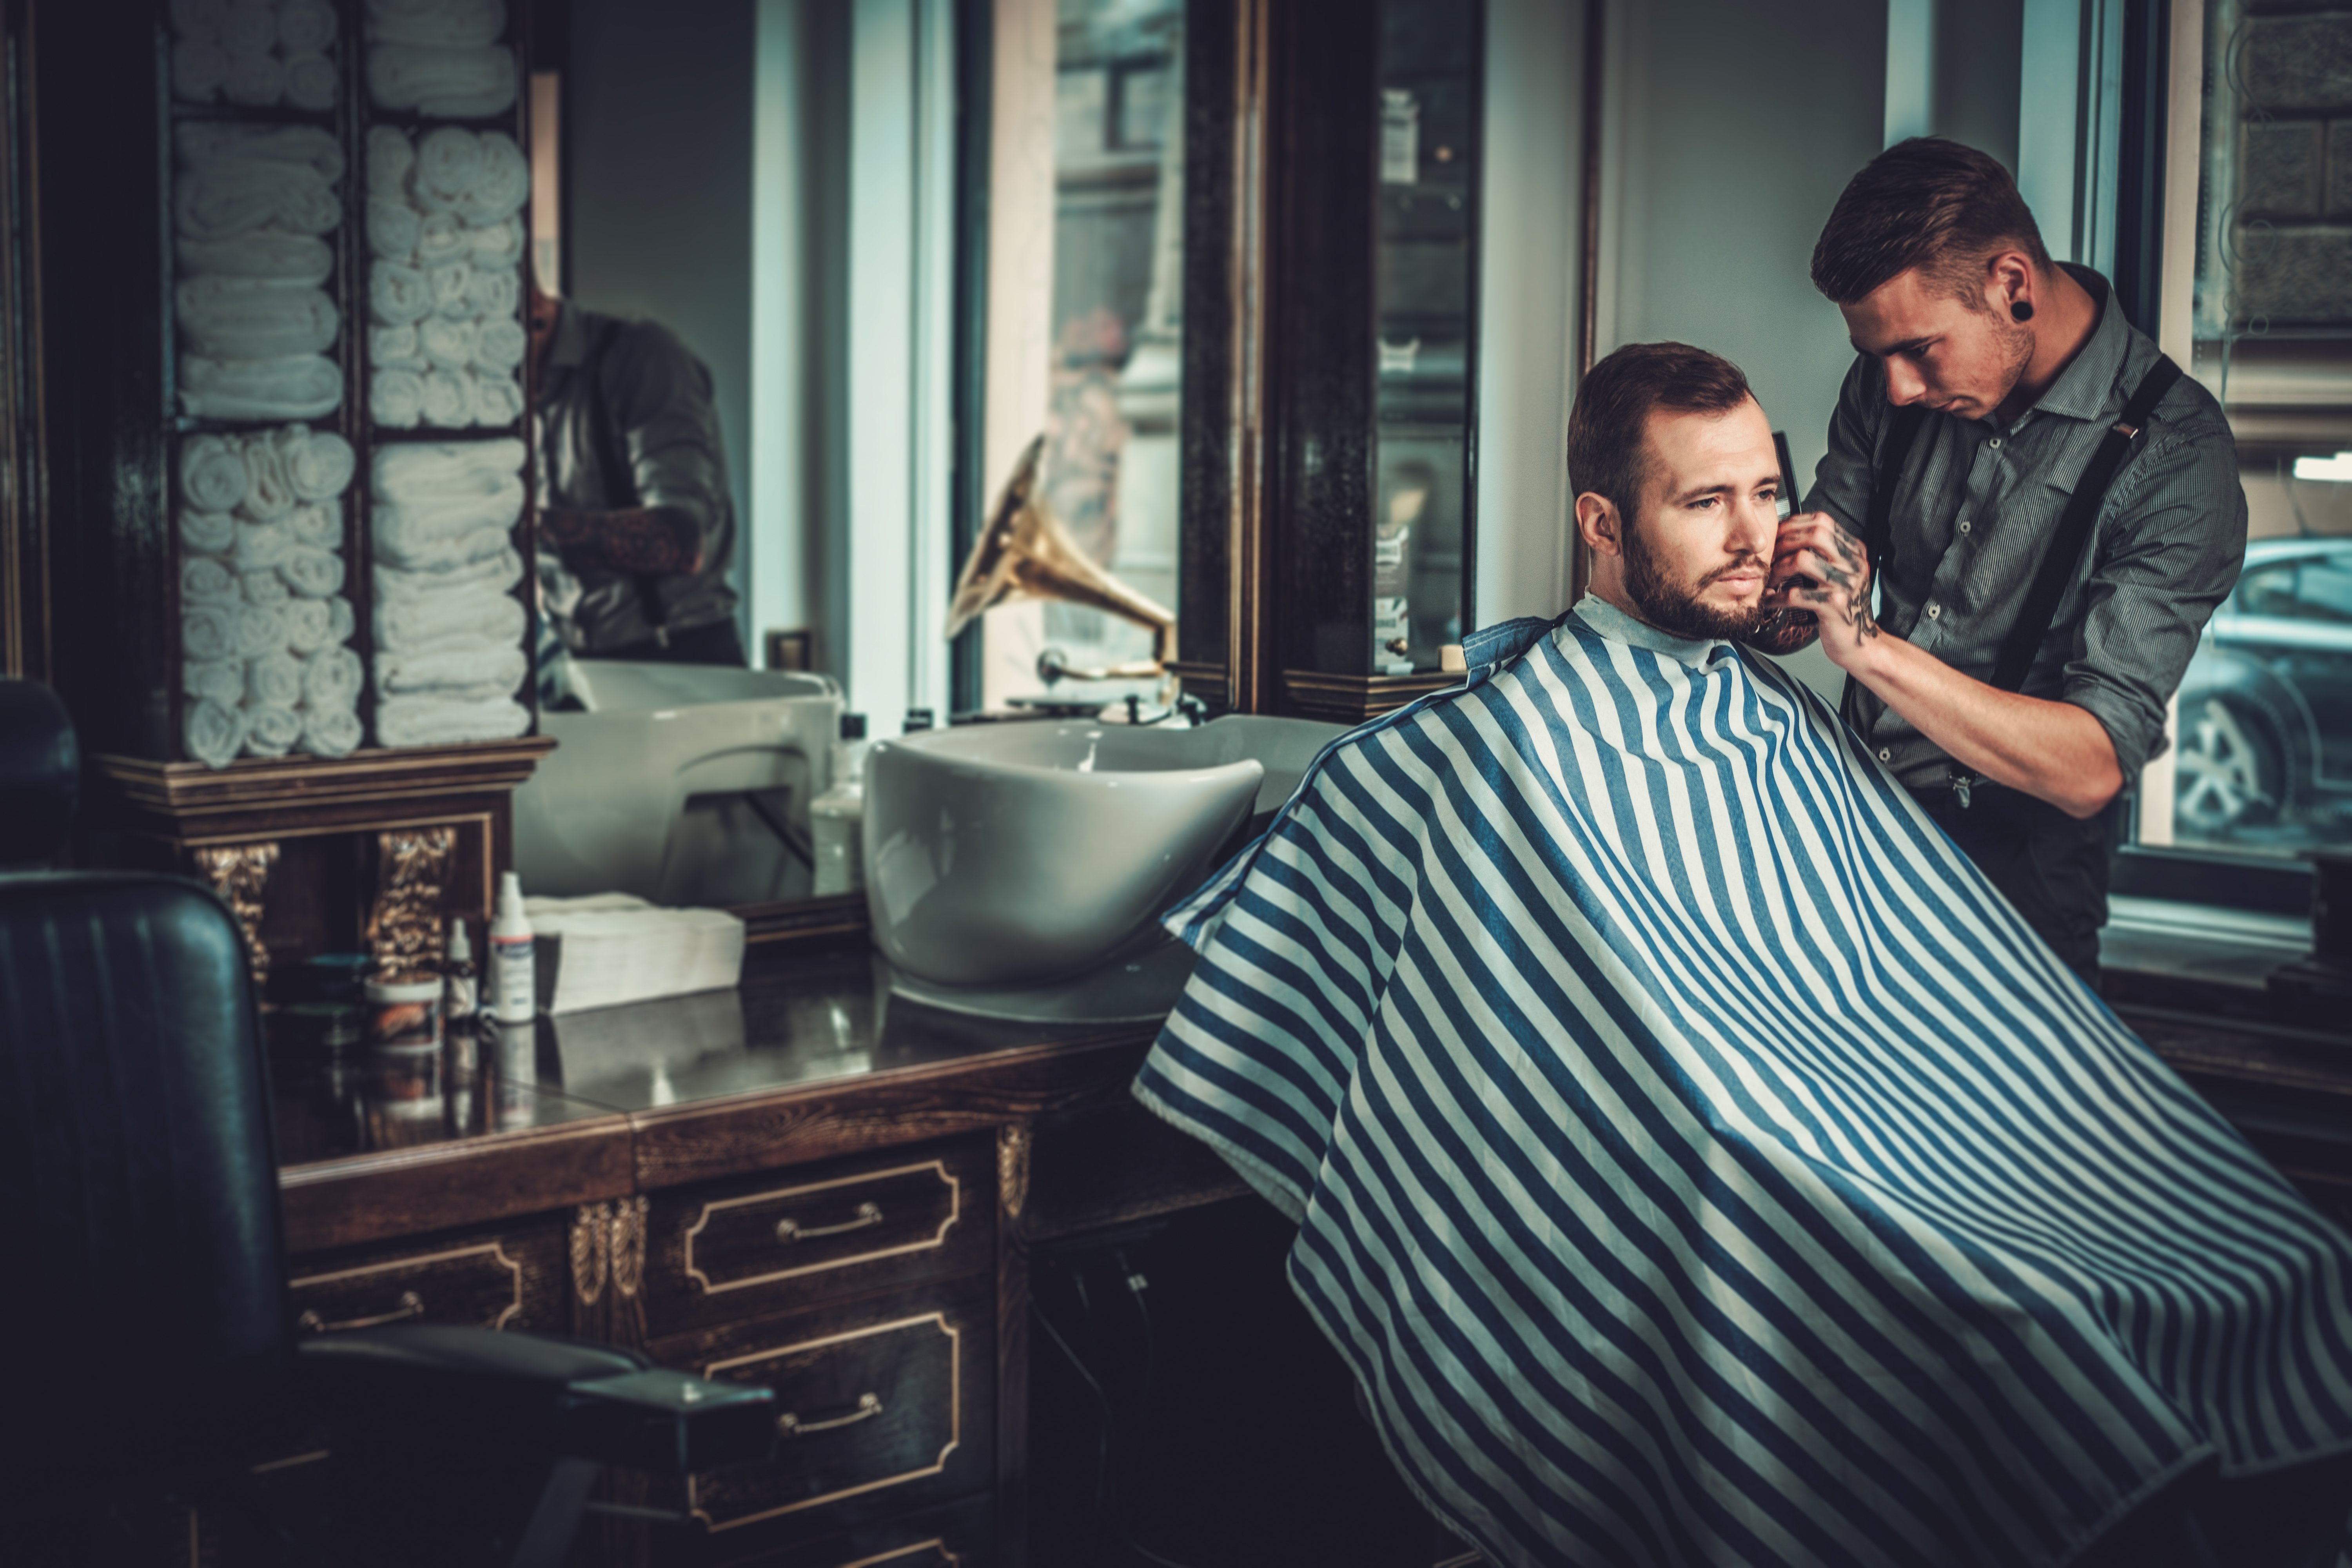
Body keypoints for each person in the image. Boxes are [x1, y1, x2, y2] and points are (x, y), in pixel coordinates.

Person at [1134, 343, 2352, 1568]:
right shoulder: (1499, 741)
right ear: (1601, 522)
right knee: (2028, 1334)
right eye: (1703, 501)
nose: (1753, 533)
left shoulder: (1772, 709)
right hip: (1769, 1167)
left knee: (2276, 1259)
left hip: (1917, 1134)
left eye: (1766, 492)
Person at [1748, 138, 2247, 982]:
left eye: (1920, 349)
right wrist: (1739, 548)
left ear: (2011, 286)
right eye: (1879, 358)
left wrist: (1866, 645)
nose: (1897, 388)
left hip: (2015, 899)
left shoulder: (2177, 460)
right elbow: (1804, 608)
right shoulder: (1887, 386)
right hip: (1849, 842)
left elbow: (2092, 765)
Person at [527, 282, 744, 666]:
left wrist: (527, 524)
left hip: (680, 656)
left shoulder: (642, 359)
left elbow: (679, 541)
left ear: (533, 306)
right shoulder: (520, 398)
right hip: (579, 659)